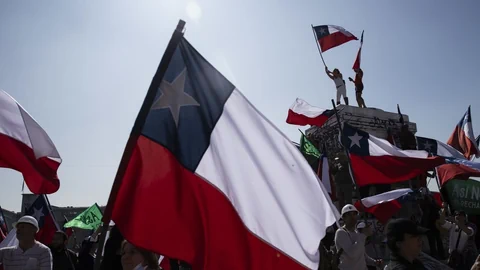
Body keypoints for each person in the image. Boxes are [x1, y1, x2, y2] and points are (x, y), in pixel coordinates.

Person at [334, 204, 381, 270]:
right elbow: (352, 254)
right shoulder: (341, 233)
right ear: (343, 218)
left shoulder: (357, 233)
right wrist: (364, 235)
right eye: (349, 214)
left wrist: (374, 262)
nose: (352, 217)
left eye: (354, 214)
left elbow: (362, 255)